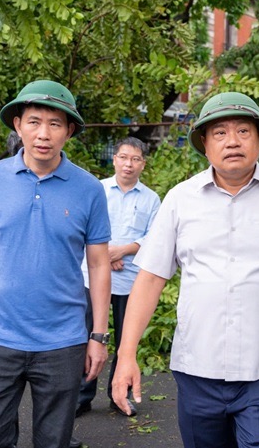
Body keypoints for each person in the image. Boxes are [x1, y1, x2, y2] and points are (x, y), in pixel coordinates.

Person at [111, 92, 259, 448]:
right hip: (197, 370)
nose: (233, 141)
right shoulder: (181, 199)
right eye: (220, 133)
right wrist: (126, 354)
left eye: (243, 131)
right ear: (205, 145)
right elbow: (149, 280)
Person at [0, 80, 112, 448]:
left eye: (55, 124)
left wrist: (98, 335)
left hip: (63, 340)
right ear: (18, 125)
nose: (44, 134)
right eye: (34, 121)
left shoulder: (89, 189)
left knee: (54, 441)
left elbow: (99, 265)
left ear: (69, 131)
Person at [75, 137, 160, 418]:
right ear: (114, 160)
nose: (128, 164)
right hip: (93, 277)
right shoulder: (96, 190)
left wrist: (120, 251)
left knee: (127, 341)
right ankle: (82, 395)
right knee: (89, 337)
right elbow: (83, 229)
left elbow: (154, 238)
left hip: (131, 280)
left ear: (143, 164)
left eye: (135, 159)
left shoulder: (151, 199)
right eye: (123, 157)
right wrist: (104, 257)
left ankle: (119, 395)